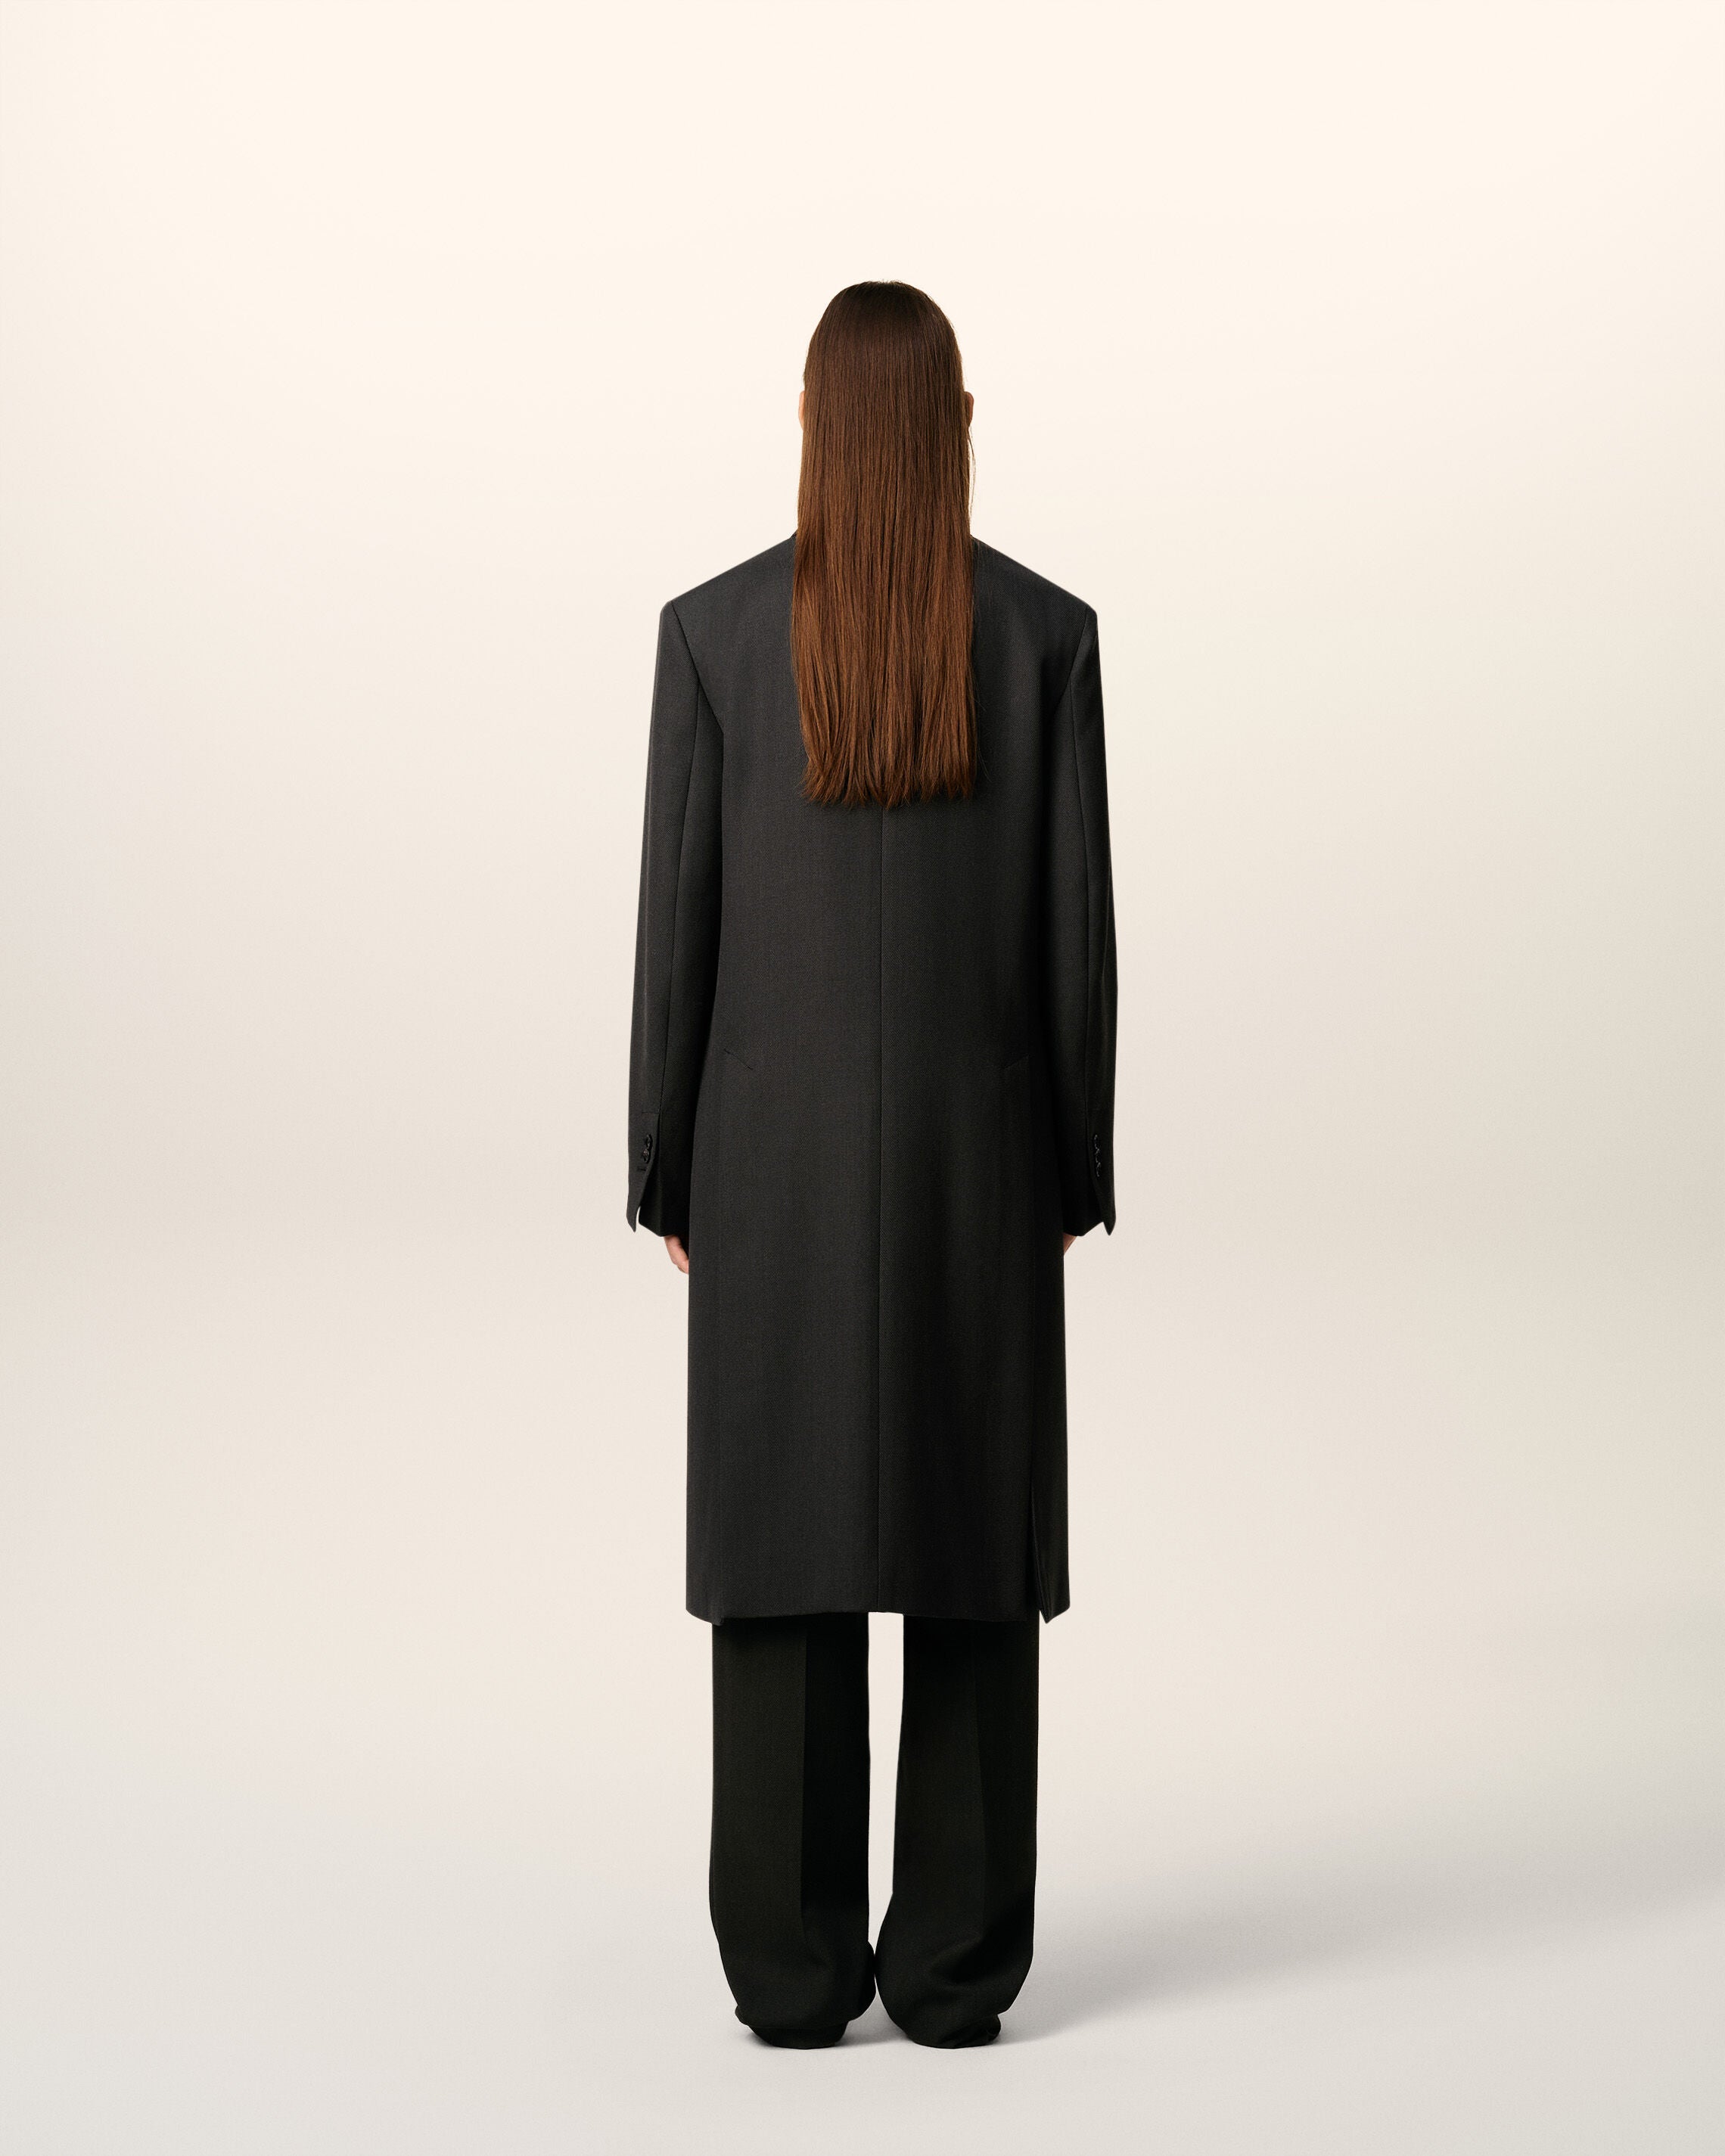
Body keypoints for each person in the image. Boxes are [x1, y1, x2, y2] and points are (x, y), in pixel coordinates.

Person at [626, 281, 1117, 2049]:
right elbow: (1075, 936)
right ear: (956, 424)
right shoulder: (1046, 636)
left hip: (770, 1164)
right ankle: (960, 1968)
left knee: (784, 1542)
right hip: (979, 1165)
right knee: (972, 1543)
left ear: (814, 426)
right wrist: (1068, 1173)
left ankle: (789, 1967)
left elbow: (679, 925)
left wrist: (667, 1166)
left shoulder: (715, 635)